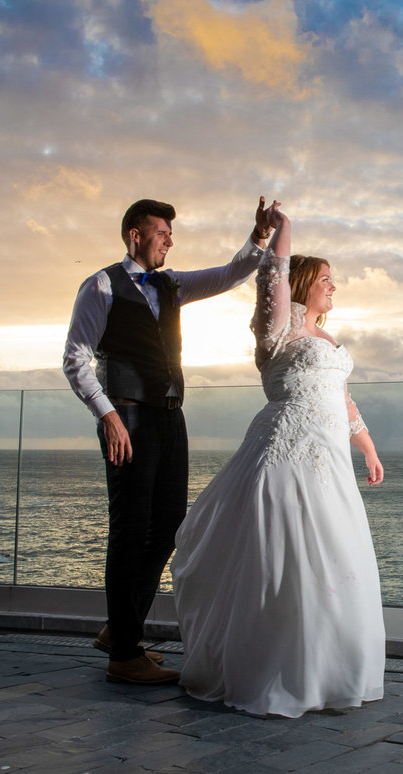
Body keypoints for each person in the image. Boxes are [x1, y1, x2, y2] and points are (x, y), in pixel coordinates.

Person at [170, 203, 386, 718]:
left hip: (330, 456)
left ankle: (328, 669)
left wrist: (369, 448)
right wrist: (282, 231)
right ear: (305, 281)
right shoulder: (279, 331)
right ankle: (278, 670)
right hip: (286, 450)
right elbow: (272, 277)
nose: (335, 287)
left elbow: (344, 399)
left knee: (332, 556)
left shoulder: (328, 340)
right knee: (284, 558)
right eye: (327, 279)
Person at [63, 195, 275, 685]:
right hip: (128, 420)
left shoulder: (171, 284)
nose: (170, 240)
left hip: (169, 418)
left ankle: (120, 631)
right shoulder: (101, 285)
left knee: (169, 526)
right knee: (130, 529)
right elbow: (75, 358)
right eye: (162, 233)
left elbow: (228, 274)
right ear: (135, 235)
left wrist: (258, 237)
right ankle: (125, 655)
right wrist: (109, 416)